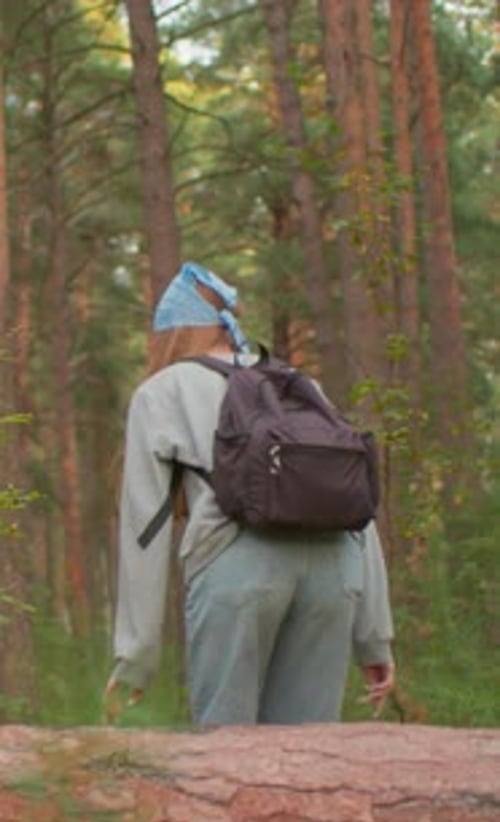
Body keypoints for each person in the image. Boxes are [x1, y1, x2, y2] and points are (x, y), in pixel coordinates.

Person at [103, 261, 395, 725]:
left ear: (172, 333)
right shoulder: (299, 383)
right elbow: (355, 504)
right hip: (334, 573)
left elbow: (146, 528)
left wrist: (136, 658)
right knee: (310, 751)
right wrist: (374, 639)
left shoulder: (162, 392)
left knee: (227, 749)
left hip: (238, 569)